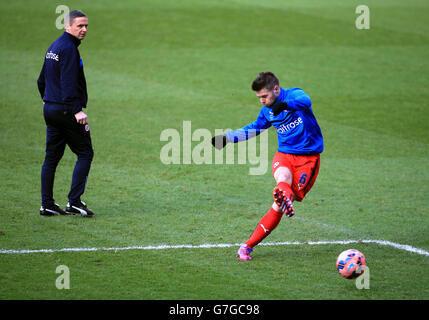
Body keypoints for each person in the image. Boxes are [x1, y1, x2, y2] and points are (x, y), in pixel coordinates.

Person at [211, 72, 323, 260]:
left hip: (308, 160)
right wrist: (228, 138)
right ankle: (282, 196)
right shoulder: (267, 111)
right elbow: (253, 128)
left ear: (276, 89)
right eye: (259, 98)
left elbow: (306, 100)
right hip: (285, 155)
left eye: (264, 96)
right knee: (283, 178)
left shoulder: (294, 95)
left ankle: (250, 242)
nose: (262, 101)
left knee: (278, 206)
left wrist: (286, 105)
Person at [37, 10, 94, 217]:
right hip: (66, 110)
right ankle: (74, 202)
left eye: (86, 26)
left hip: (51, 109)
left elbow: (41, 80)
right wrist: (76, 110)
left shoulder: (55, 46)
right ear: (68, 26)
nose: (84, 30)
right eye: (80, 26)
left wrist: (47, 98)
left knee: (51, 158)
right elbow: (68, 83)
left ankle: (47, 204)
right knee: (85, 153)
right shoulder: (69, 49)